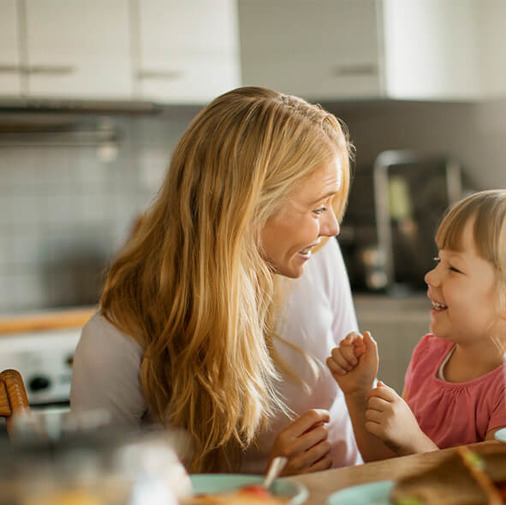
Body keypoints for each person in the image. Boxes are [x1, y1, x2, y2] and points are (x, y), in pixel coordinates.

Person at [70, 86, 362, 475]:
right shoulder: (117, 337)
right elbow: (105, 501)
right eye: (318, 207)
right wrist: (270, 482)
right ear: (249, 206)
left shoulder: (318, 258)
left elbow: (354, 393)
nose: (333, 227)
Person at [327, 188, 506, 461]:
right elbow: (385, 465)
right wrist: (358, 394)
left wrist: (414, 440)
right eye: (438, 260)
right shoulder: (430, 352)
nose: (431, 276)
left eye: (453, 267)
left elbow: (498, 485)